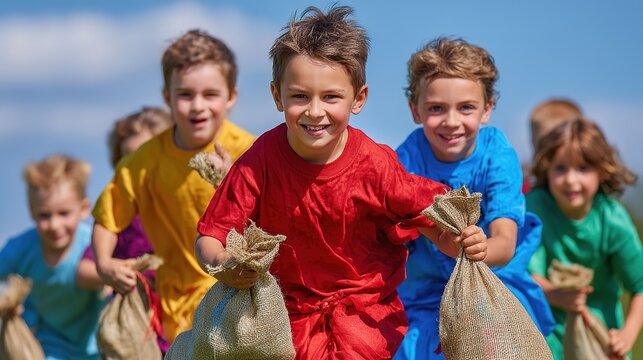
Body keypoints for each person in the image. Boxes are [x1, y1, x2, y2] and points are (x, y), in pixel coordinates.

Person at [195, 6, 500, 359]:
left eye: (331, 97)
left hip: (364, 318)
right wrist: (225, 266)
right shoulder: (260, 159)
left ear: (358, 99)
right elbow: (211, 235)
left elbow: (436, 225)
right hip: (282, 315)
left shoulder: (375, 165)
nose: (314, 110)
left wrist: (466, 240)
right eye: (299, 96)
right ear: (277, 95)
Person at [394, 37, 555, 360]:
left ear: (487, 109)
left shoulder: (497, 155)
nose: (451, 121)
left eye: (466, 107)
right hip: (428, 291)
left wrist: (481, 250)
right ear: (415, 111)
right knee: (414, 347)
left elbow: (505, 244)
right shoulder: (405, 161)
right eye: (436, 108)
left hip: (495, 280)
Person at [91, 29, 256, 342]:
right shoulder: (145, 161)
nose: (198, 106)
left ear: (231, 96)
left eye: (210, 95)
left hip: (238, 298)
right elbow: (107, 218)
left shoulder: (250, 152)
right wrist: (103, 263)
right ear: (167, 96)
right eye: (185, 95)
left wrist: (230, 179)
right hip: (175, 310)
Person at [527, 118, 643, 360]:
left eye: (582, 168)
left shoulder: (612, 220)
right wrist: (554, 294)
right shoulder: (535, 208)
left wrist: (627, 336)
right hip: (546, 335)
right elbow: (525, 272)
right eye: (560, 168)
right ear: (546, 168)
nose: (571, 180)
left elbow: (640, 287)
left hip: (600, 337)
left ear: (601, 171)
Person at [76, 106, 172, 352]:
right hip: (136, 325)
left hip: (180, 317)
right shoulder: (119, 216)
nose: (138, 167)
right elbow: (84, 270)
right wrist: (112, 270)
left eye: (146, 157)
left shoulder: (179, 208)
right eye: (128, 160)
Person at [0, 154, 104, 359]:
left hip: (92, 346)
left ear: (84, 209)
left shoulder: (92, 246)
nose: (55, 225)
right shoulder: (21, 248)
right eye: (45, 215)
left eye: (64, 213)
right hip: (45, 344)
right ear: (32, 212)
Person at [522, 98, 584, 193]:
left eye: (556, 144)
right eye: (542, 145)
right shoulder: (523, 193)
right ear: (532, 142)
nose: (548, 152)